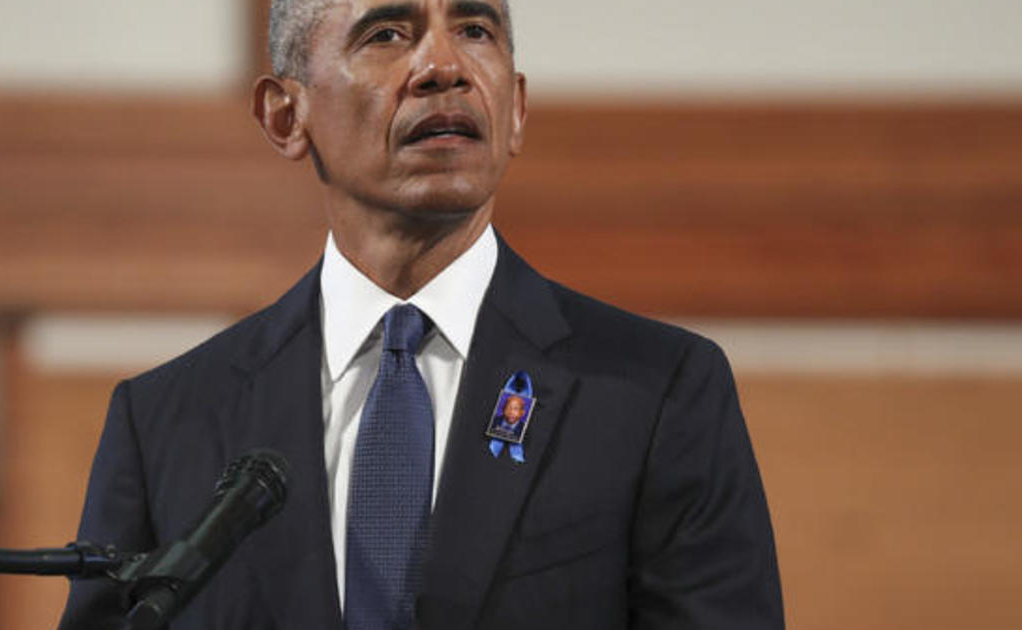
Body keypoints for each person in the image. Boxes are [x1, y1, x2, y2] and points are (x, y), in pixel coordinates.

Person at [60, 1, 784, 628]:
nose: (445, 65)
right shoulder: (163, 424)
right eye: (386, 35)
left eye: (475, 29)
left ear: (517, 107)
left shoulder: (657, 395)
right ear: (286, 115)